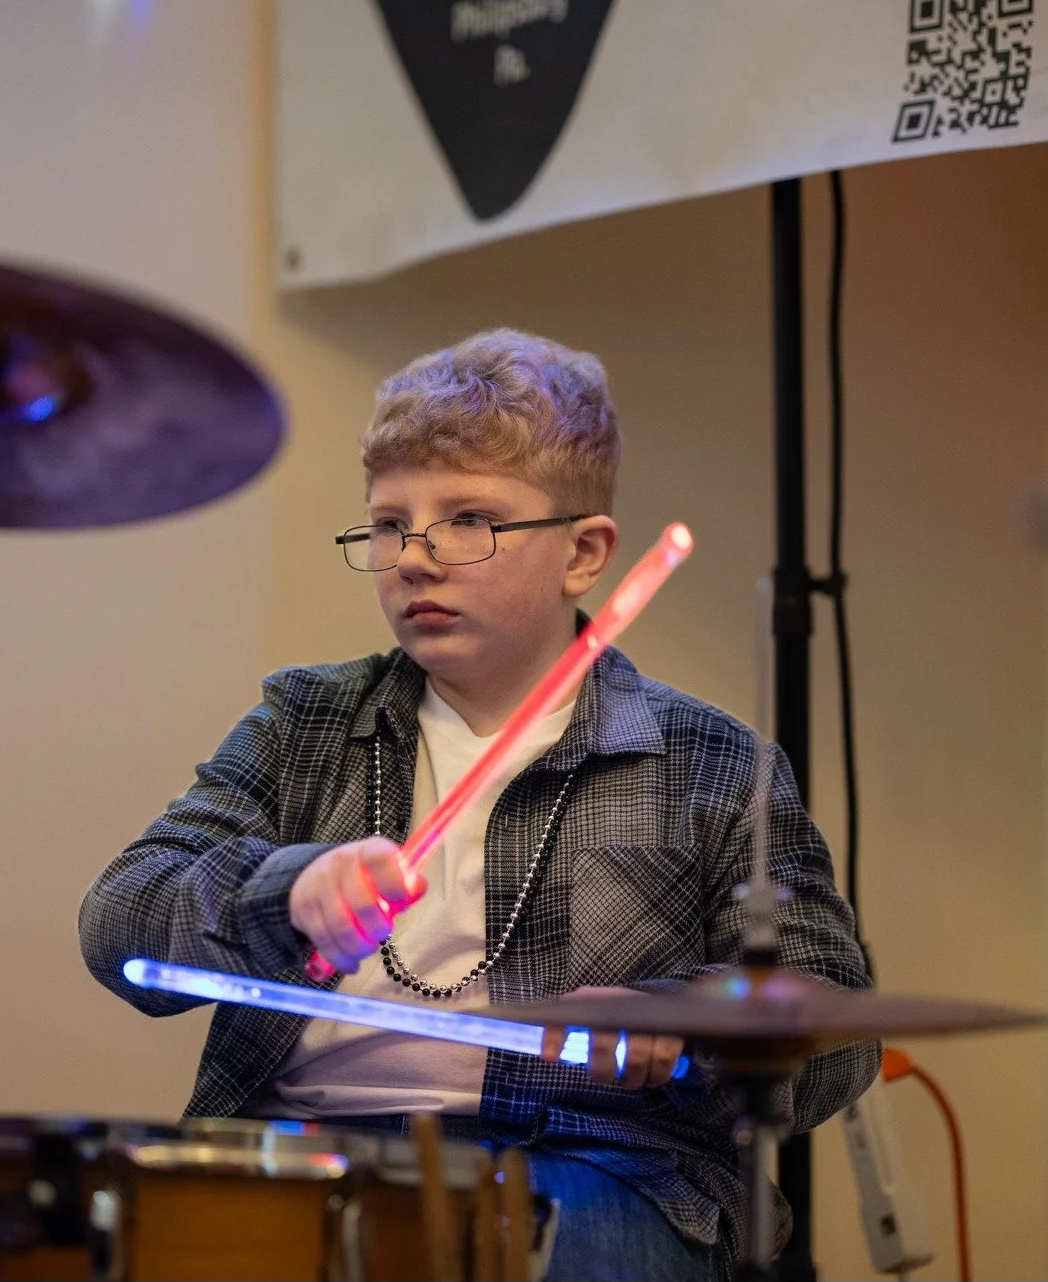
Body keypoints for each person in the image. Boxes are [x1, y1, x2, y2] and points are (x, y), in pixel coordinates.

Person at [79, 329, 877, 1280]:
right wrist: (285, 893)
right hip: (303, 1146)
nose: (414, 559)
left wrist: (686, 1020)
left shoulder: (711, 760)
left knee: (527, 1247)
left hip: (597, 1162)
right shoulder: (303, 722)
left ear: (583, 552)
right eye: (389, 524)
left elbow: (840, 1024)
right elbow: (117, 923)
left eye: (469, 520)